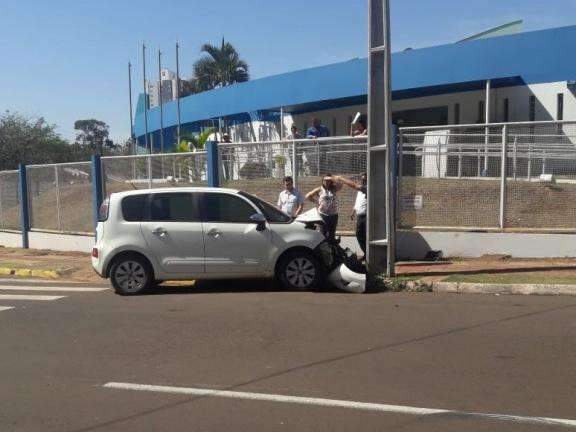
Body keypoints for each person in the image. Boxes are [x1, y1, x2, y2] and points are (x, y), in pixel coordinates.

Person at [305, 174, 343, 240]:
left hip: (333, 215)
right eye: (325, 180)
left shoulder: (334, 189)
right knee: (323, 233)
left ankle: (332, 247)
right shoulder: (319, 189)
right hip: (323, 215)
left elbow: (341, 184)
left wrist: (333, 178)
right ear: (322, 181)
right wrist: (316, 201)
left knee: (332, 234)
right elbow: (308, 196)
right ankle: (324, 248)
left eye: (328, 180)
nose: (326, 182)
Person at [339, 173, 367, 258]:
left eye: (365, 179)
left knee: (365, 235)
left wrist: (341, 179)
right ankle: (366, 253)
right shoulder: (360, 191)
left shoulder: (367, 188)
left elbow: (354, 185)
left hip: (367, 217)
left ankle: (368, 254)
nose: (363, 181)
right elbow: (358, 202)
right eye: (362, 179)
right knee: (359, 235)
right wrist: (353, 212)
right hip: (360, 216)